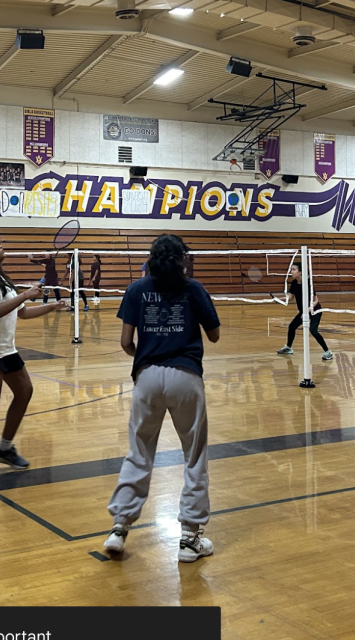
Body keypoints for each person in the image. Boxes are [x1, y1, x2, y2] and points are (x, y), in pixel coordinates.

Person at [103, 234, 220, 563]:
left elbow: (126, 341)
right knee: (194, 456)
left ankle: (119, 528)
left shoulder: (136, 289)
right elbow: (214, 335)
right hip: (186, 376)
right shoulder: (193, 288)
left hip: (147, 377)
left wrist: (146, 353)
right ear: (183, 259)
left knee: (139, 452)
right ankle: (189, 538)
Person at [0, 238, 68, 484]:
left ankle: (4, 448)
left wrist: (51, 307)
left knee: (24, 391)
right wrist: (26, 294)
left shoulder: (1, 280)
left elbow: (22, 313)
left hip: (5, 349)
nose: (1, 246)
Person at [275, 264, 333, 360]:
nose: (291, 272)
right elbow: (291, 297)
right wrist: (280, 299)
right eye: (291, 269)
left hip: (315, 310)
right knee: (292, 326)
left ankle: (328, 352)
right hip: (303, 312)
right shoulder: (294, 283)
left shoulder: (307, 283)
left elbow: (316, 300)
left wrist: (308, 309)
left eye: (294, 269)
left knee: (313, 330)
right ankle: (288, 348)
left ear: (300, 272)